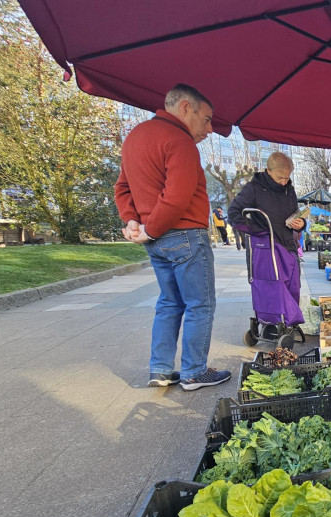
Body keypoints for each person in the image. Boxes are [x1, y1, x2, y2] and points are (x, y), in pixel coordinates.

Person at [115, 83, 231, 390]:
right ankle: (194, 371)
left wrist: (133, 222)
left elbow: (122, 188)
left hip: (156, 241)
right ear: (185, 108)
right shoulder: (179, 141)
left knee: (169, 302)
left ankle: (161, 369)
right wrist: (150, 227)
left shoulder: (135, 137)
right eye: (206, 118)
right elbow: (177, 196)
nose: (209, 127)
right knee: (200, 304)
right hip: (184, 235)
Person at [228, 152, 306, 322]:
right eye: (280, 178)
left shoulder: (289, 189)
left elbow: (295, 213)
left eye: (287, 178)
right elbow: (234, 213)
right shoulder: (253, 188)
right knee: (271, 286)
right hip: (266, 247)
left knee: (292, 285)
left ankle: (290, 320)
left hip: (288, 245)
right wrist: (257, 230)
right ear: (268, 171)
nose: (284, 182)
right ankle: (272, 320)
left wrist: (301, 222)